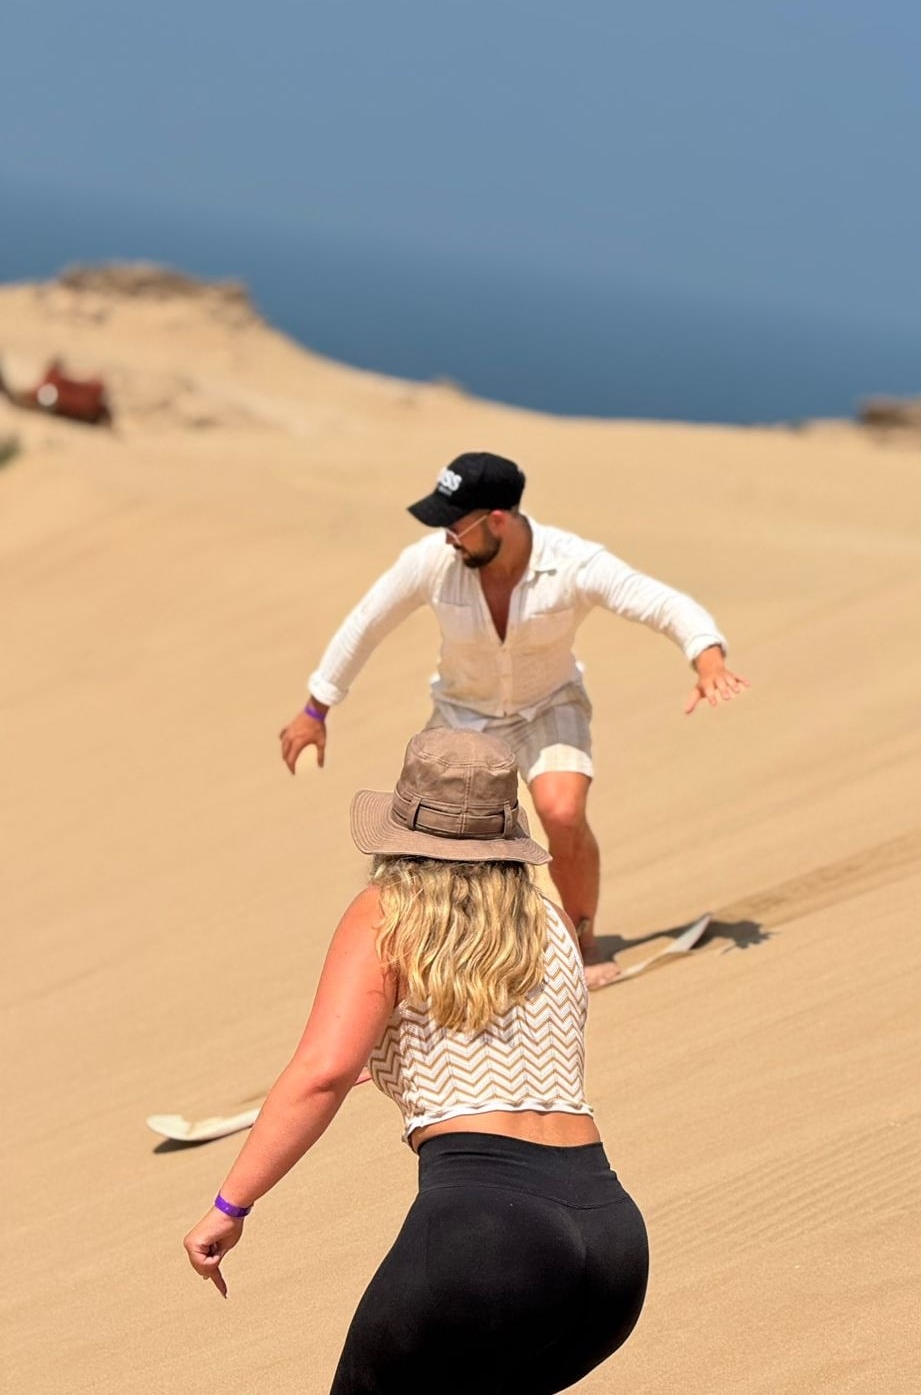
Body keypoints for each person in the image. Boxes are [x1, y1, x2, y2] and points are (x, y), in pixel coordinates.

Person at [185, 728, 649, 1393]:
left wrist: (230, 1206)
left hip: (489, 1228)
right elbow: (501, 1051)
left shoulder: (390, 912)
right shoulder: (549, 921)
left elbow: (322, 1073)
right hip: (611, 1242)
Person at [279, 451, 748, 986]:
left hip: (549, 704)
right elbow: (366, 624)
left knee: (561, 812)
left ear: (497, 520)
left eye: (456, 526)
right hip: (462, 712)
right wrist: (315, 709)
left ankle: (582, 941)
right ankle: (444, 965)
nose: (447, 539)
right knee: (429, 843)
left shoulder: (573, 563)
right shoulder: (431, 561)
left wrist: (708, 659)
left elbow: (661, 603)